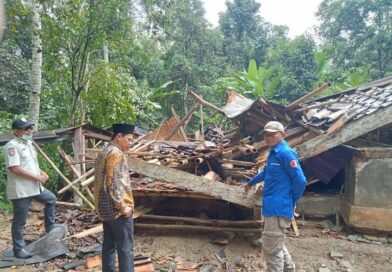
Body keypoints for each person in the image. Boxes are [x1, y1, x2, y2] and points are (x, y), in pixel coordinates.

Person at [245, 121, 307, 272]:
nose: (268, 137)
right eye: (266, 134)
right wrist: (250, 183)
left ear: (282, 135)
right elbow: (266, 173)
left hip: (278, 208)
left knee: (271, 249)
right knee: (276, 243)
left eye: (272, 134)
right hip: (272, 206)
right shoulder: (273, 153)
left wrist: (291, 201)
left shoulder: (286, 153)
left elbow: (301, 181)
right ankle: (289, 268)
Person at [3, 118, 57, 259]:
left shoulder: (28, 143)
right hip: (21, 190)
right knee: (20, 221)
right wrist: (36, 177)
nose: (29, 131)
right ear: (16, 131)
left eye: (30, 128)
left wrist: (41, 173)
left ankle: (50, 227)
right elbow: (15, 168)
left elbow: (31, 164)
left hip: (34, 186)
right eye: (26, 129)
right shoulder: (12, 146)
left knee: (51, 199)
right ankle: (19, 249)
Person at [94, 123, 135, 272]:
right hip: (117, 210)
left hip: (104, 209)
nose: (131, 143)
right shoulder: (116, 154)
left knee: (109, 246)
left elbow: (101, 182)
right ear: (119, 137)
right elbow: (113, 183)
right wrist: (122, 206)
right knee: (126, 249)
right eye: (129, 139)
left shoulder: (104, 152)